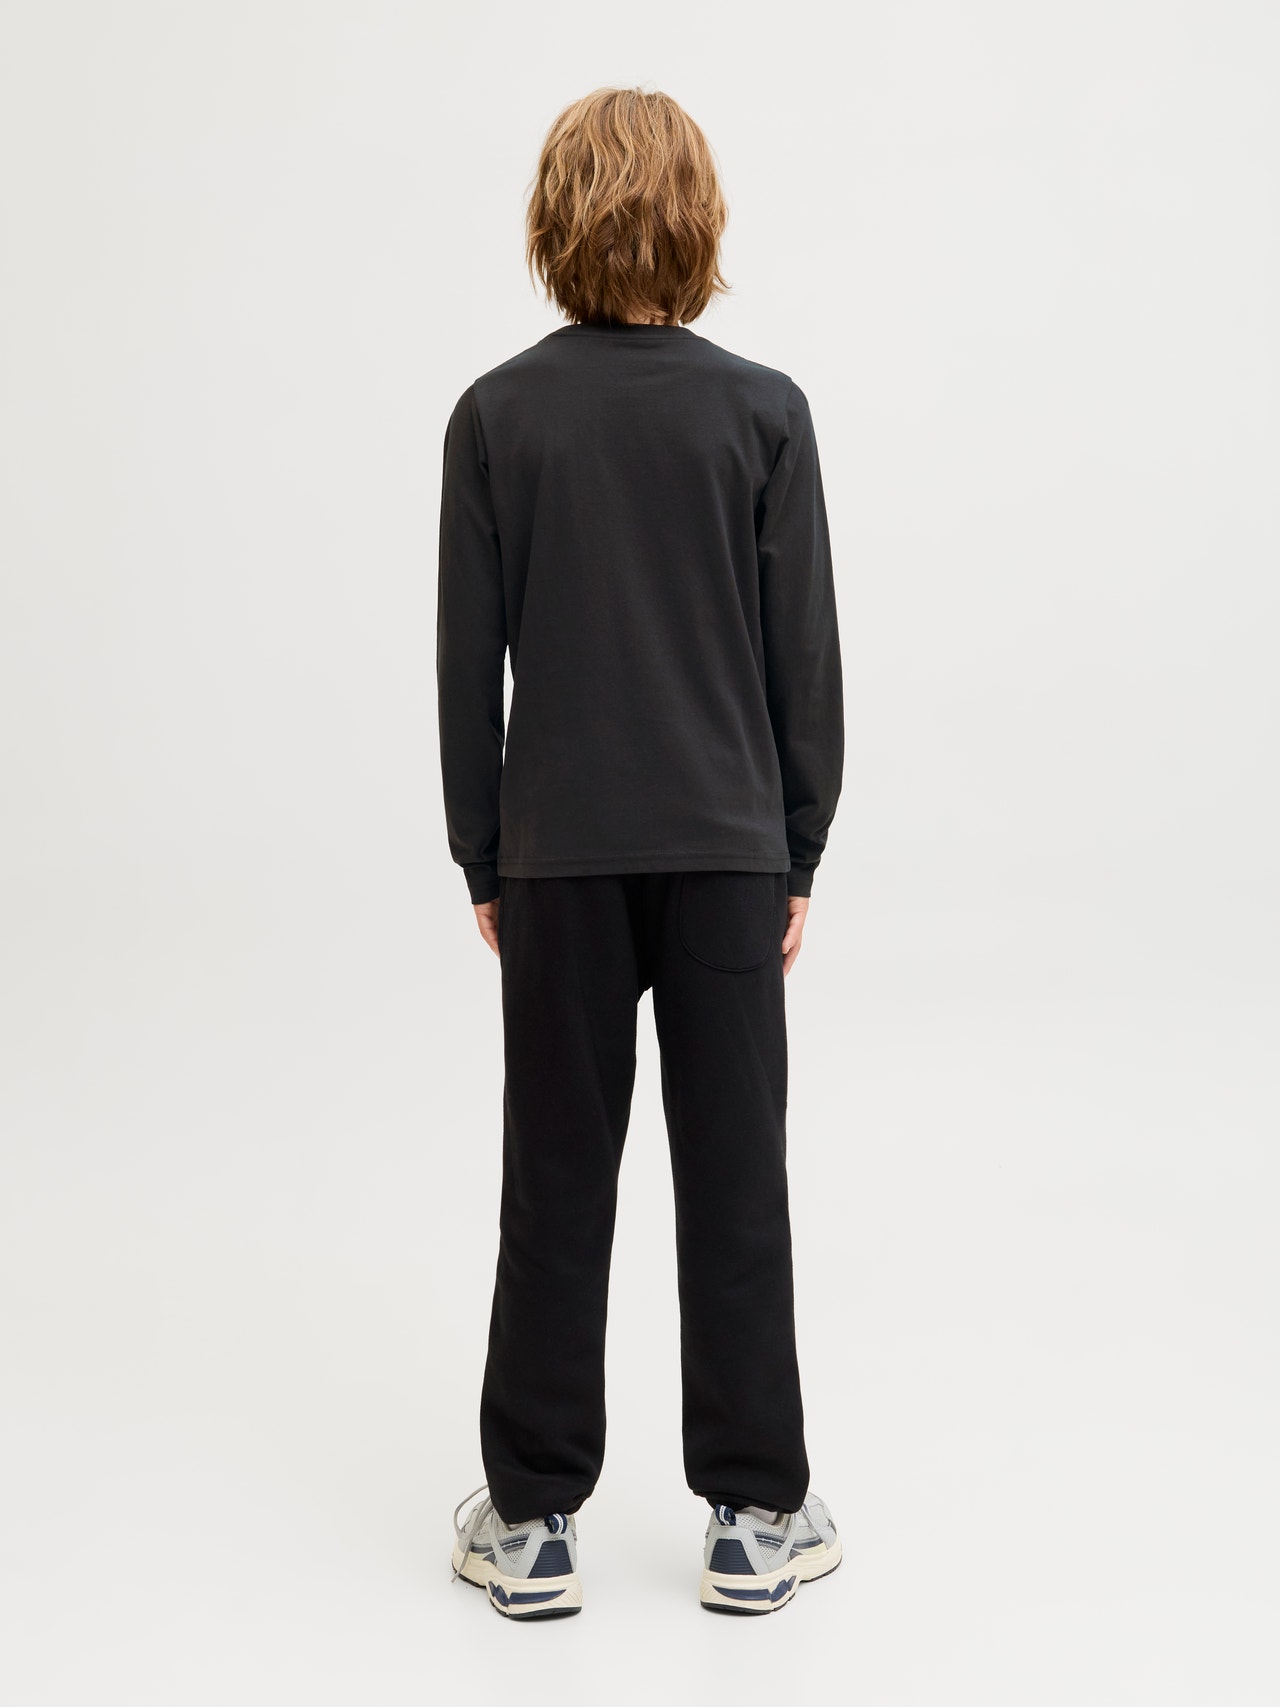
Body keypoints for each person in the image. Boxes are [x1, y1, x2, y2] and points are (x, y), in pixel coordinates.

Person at [437, 85, 845, 1619]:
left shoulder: (498, 416)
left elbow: (466, 662)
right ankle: (755, 1515)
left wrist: (485, 854)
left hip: (559, 859)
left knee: (554, 1178)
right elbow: (803, 658)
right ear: (700, 219)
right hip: (730, 852)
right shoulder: (763, 412)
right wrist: (797, 848)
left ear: (556, 222)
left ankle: (534, 1522)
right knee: (737, 1179)